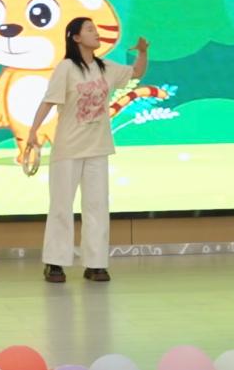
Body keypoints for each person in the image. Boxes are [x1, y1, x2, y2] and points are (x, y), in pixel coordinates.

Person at [27, 16, 149, 283]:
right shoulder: (66, 68)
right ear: (76, 38)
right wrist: (33, 132)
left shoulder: (106, 67)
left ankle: (96, 264)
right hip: (68, 148)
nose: (96, 33)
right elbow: (48, 102)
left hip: (98, 148)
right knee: (61, 206)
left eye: (95, 28)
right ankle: (55, 262)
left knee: (97, 206)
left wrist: (143, 52)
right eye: (90, 29)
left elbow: (136, 73)